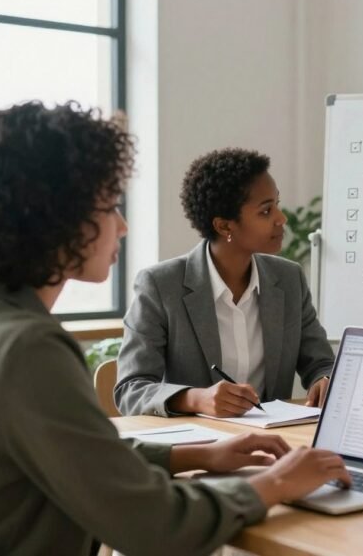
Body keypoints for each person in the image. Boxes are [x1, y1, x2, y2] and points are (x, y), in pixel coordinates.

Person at [0, 102, 351, 555]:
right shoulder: (26, 348)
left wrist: (195, 454)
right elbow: (156, 524)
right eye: (108, 206)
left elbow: (81, 458)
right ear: (54, 219)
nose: (124, 225)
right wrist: (277, 482)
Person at [114, 148, 333, 418]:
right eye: (266, 211)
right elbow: (131, 389)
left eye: (277, 204)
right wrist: (195, 399)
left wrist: (324, 380)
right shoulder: (160, 285)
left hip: (275, 443)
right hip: (200, 447)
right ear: (224, 226)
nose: (281, 218)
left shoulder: (289, 279)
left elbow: (321, 362)